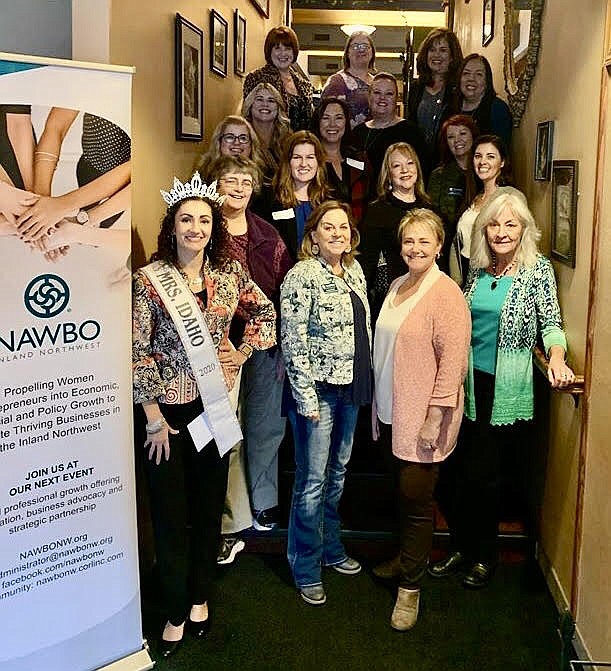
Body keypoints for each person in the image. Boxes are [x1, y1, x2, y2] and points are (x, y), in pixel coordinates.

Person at [132, 173, 275, 656]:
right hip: (165, 418)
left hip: (213, 408)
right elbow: (137, 350)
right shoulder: (149, 281)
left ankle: (198, 596)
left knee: (207, 506)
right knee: (171, 514)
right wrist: (152, 416)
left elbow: (265, 315)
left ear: (215, 228)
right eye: (186, 219)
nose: (195, 228)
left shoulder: (230, 277)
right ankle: (173, 610)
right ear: (171, 227)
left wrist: (243, 349)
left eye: (204, 220)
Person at [430, 187, 575, 590]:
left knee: (486, 474)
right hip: (466, 381)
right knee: (456, 471)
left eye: (511, 224)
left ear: (524, 228)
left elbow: (551, 324)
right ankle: (462, 545)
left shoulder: (537, 270)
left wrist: (558, 358)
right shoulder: (478, 271)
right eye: (494, 223)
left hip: (504, 384)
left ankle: (484, 554)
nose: (501, 231)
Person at [371, 208, 470, 630]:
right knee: (401, 494)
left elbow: (452, 365)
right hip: (393, 410)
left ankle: (410, 590)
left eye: (423, 242)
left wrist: (434, 419)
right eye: (409, 241)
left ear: (439, 246)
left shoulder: (446, 295)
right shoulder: (396, 284)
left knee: (416, 502)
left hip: (425, 418)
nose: (415, 248)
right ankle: (404, 558)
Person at [280, 200, 372, 606]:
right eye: (327, 227)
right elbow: (293, 338)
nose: (336, 233)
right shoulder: (302, 275)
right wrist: (305, 396)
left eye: (342, 227)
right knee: (312, 482)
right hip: (317, 392)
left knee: (338, 475)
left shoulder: (354, 271)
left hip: (351, 387)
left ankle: (332, 549)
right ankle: (305, 566)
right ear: (313, 236)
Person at [213, 155, 292, 534]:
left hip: (262, 341)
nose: (239, 187)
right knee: (223, 425)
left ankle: (264, 501)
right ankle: (228, 508)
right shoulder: (204, 229)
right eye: (230, 179)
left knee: (265, 423)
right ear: (216, 183)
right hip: (216, 343)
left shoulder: (268, 235)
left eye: (245, 181)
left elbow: (284, 288)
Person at [359, 142, 431, 317]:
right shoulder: (377, 211)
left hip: (428, 295)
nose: (405, 170)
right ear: (388, 175)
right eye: (397, 166)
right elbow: (366, 264)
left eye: (410, 163)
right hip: (392, 298)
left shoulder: (430, 209)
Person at [254, 130, 332, 260]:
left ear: (318, 162)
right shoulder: (268, 200)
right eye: (297, 157)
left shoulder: (328, 201)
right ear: (288, 162)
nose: (303, 163)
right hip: (281, 275)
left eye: (310, 157)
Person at [449, 134, 511, 286]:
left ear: (502, 162)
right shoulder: (473, 196)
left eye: (490, 156)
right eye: (478, 156)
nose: (483, 162)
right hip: (466, 278)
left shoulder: (508, 200)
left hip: (492, 279)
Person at [352, 72, 429, 189]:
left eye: (389, 94)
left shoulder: (411, 132)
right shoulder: (358, 132)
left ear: (396, 98)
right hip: (361, 199)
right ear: (369, 96)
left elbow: (421, 173)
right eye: (377, 92)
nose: (382, 98)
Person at [428, 114, 478, 270]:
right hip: (449, 248)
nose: (457, 140)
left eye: (463, 133)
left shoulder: (484, 171)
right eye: (451, 136)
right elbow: (433, 216)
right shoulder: (439, 175)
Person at [312, 96, 370, 226]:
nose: (332, 124)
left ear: (346, 122)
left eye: (338, 118)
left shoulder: (359, 158)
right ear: (318, 122)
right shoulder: (310, 161)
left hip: (357, 233)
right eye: (326, 118)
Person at [406, 28, 463, 161]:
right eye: (432, 50)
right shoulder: (416, 88)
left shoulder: (458, 89)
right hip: (417, 160)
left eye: (443, 50)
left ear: (452, 57)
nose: (436, 55)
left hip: (449, 161)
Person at [243, 26, 313, 132]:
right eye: (277, 48)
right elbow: (247, 116)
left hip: (300, 144)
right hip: (269, 144)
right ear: (269, 51)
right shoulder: (256, 78)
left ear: (294, 51)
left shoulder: (305, 85)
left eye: (287, 48)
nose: (283, 53)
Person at [321, 31, 376, 128]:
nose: (360, 50)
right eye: (355, 46)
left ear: (372, 52)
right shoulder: (336, 82)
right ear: (347, 53)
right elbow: (324, 118)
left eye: (365, 46)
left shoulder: (377, 82)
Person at [457, 54, 513, 148]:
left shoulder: (498, 108)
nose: (471, 79)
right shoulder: (450, 106)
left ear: (487, 81)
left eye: (479, 74)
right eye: (466, 73)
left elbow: (499, 151)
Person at [195, 115, 266, 182]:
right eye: (230, 137)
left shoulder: (264, 177)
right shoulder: (202, 174)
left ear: (251, 144)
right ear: (219, 141)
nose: (237, 142)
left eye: (243, 138)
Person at [241, 82, 291, 176]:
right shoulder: (240, 138)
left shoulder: (289, 140)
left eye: (271, 100)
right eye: (259, 99)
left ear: (278, 107)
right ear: (250, 105)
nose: (265, 104)